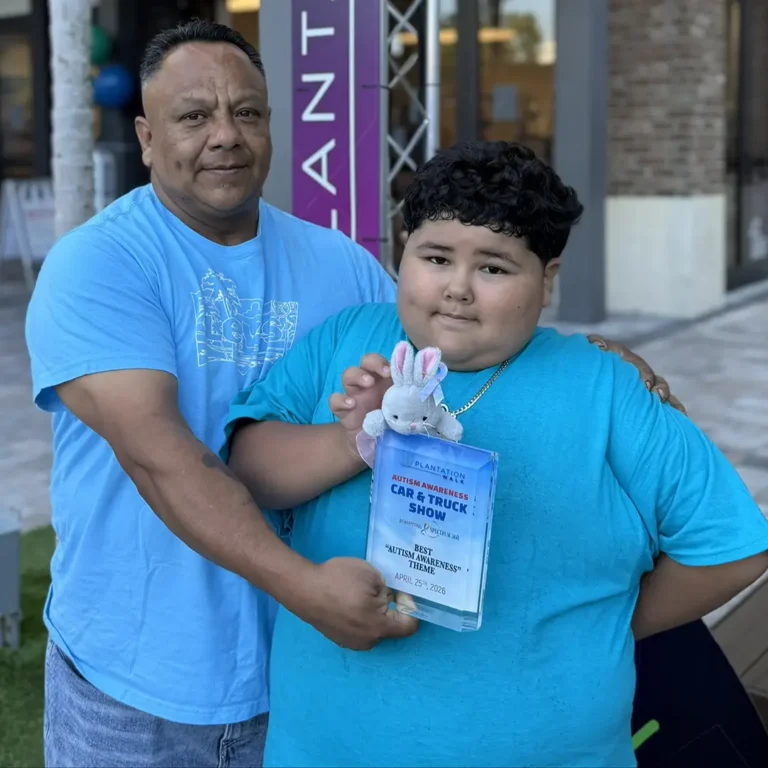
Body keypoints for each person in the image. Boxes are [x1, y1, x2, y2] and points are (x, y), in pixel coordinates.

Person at [25, 19, 675, 768]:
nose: (226, 136)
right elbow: (161, 459)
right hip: (141, 683)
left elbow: (453, 344)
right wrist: (303, 588)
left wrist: (592, 358)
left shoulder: (338, 264)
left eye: (247, 112)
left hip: (306, 678)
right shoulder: (98, 266)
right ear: (145, 137)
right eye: (194, 115)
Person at [222, 140, 768, 768]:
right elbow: (248, 467)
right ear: (404, 252)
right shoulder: (347, 340)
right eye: (435, 257)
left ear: (548, 279)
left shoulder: (606, 388)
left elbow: (732, 550)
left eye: (494, 268)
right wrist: (355, 440)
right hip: (323, 748)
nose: (457, 289)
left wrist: (602, 622)